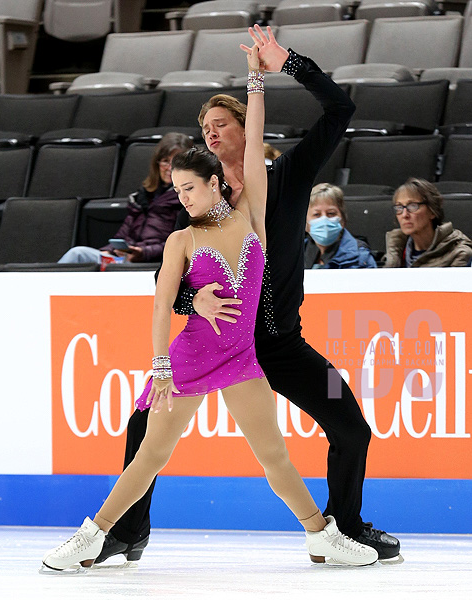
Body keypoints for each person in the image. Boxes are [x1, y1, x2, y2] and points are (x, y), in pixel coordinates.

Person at [41, 45, 378, 572]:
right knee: (142, 433)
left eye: (221, 123)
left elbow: (339, 109)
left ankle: (343, 528)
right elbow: (166, 288)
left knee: (350, 425)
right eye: (205, 128)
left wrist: (280, 65)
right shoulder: (192, 219)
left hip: (279, 346)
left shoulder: (276, 185)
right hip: (210, 343)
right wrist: (192, 298)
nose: (212, 133)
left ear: (246, 126)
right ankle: (120, 536)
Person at [58, 132, 193, 265]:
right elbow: (123, 235)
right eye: (165, 161)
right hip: (126, 258)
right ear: (157, 164)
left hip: (153, 263)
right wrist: (109, 250)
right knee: (78, 253)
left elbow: (183, 244)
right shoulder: (143, 196)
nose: (169, 168)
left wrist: (143, 253)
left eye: (175, 163)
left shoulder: (187, 200)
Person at [383, 177, 472, 268]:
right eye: (399, 208)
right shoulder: (396, 248)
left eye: (413, 206)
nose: (405, 215)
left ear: (432, 211)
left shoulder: (458, 252)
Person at [305, 183, 377, 269]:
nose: (324, 220)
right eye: (317, 214)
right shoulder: (294, 254)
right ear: (305, 223)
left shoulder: (361, 258)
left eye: (331, 213)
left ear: (342, 220)